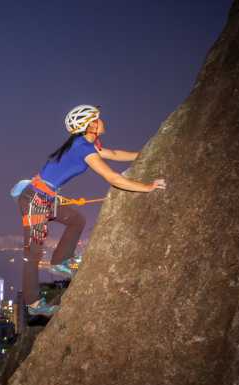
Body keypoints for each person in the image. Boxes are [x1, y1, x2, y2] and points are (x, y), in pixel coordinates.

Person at [14, 104, 166, 317]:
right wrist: (148, 187)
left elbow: (113, 153)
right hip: (35, 200)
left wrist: (144, 153)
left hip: (46, 198)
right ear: (90, 126)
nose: (102, 121)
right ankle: (34, 304)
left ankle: (59, 262)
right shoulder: (82, 148)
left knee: (76, 220)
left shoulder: (85, 142)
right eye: (98, 118)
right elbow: (112, 178)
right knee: (33, 254)